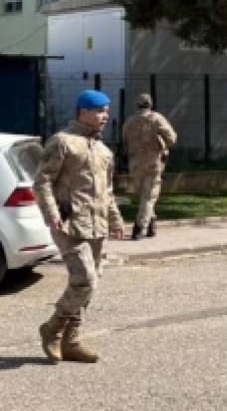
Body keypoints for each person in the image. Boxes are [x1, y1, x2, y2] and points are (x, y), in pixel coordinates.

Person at [34, 89, 124, 364]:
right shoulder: (63, 142)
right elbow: (42, 181)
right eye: (99, 110)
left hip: (96, 227)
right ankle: (52, 329)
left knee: (90, 285)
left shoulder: (104, 151)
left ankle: (71, 341)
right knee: (85, 280)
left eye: (107, 111)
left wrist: (115, 219)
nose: (105, 115)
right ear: (81, 112)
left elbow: (106, 191)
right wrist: (50, 212)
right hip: (69, 224)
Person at [121, 93, 178, 239]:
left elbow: (124, 140)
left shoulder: (129, 121)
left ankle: (152, 223)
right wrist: (162, 144)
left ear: (137, 105)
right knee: (149, 195)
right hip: (152, 160)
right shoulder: (156, 118)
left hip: (134, 162)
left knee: (144, 195)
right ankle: (140, 227)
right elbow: (171, 138)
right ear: (150, 104)